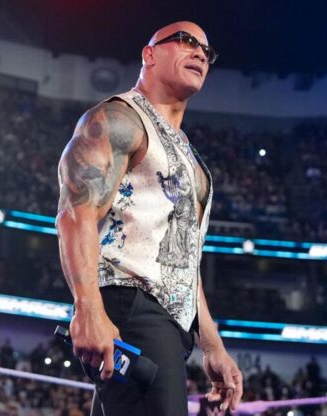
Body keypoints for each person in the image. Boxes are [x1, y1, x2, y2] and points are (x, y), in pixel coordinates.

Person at [56, 21, 243, 415]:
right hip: (131, 307)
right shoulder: (118, 119)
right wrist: (88, 308)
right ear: (149, 54)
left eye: (206, 51)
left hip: (167, 325)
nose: (199, 53)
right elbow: (76, 213)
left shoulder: (188, 153)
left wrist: (212, 346)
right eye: (186, 41)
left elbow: (184, 261)